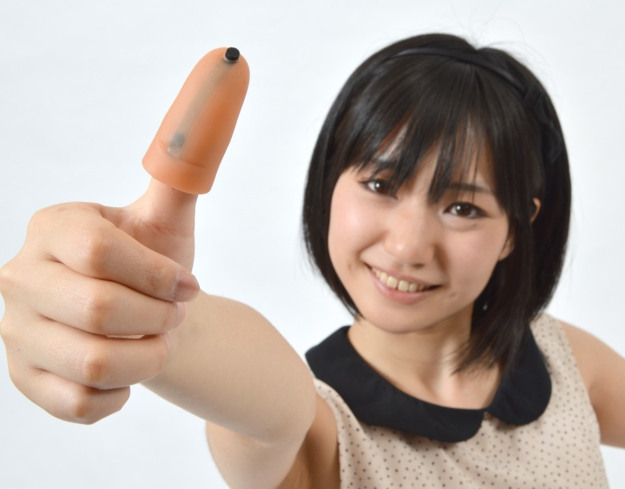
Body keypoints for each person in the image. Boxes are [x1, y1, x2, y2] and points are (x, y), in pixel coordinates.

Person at [0, 32, 623, 489]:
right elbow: (271, 406)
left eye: (463, 207)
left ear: (517, 230)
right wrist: (160, 312)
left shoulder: (566, 358)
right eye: (380, 185)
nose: (408, 247)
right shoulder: (321, 429)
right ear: (330, 185)